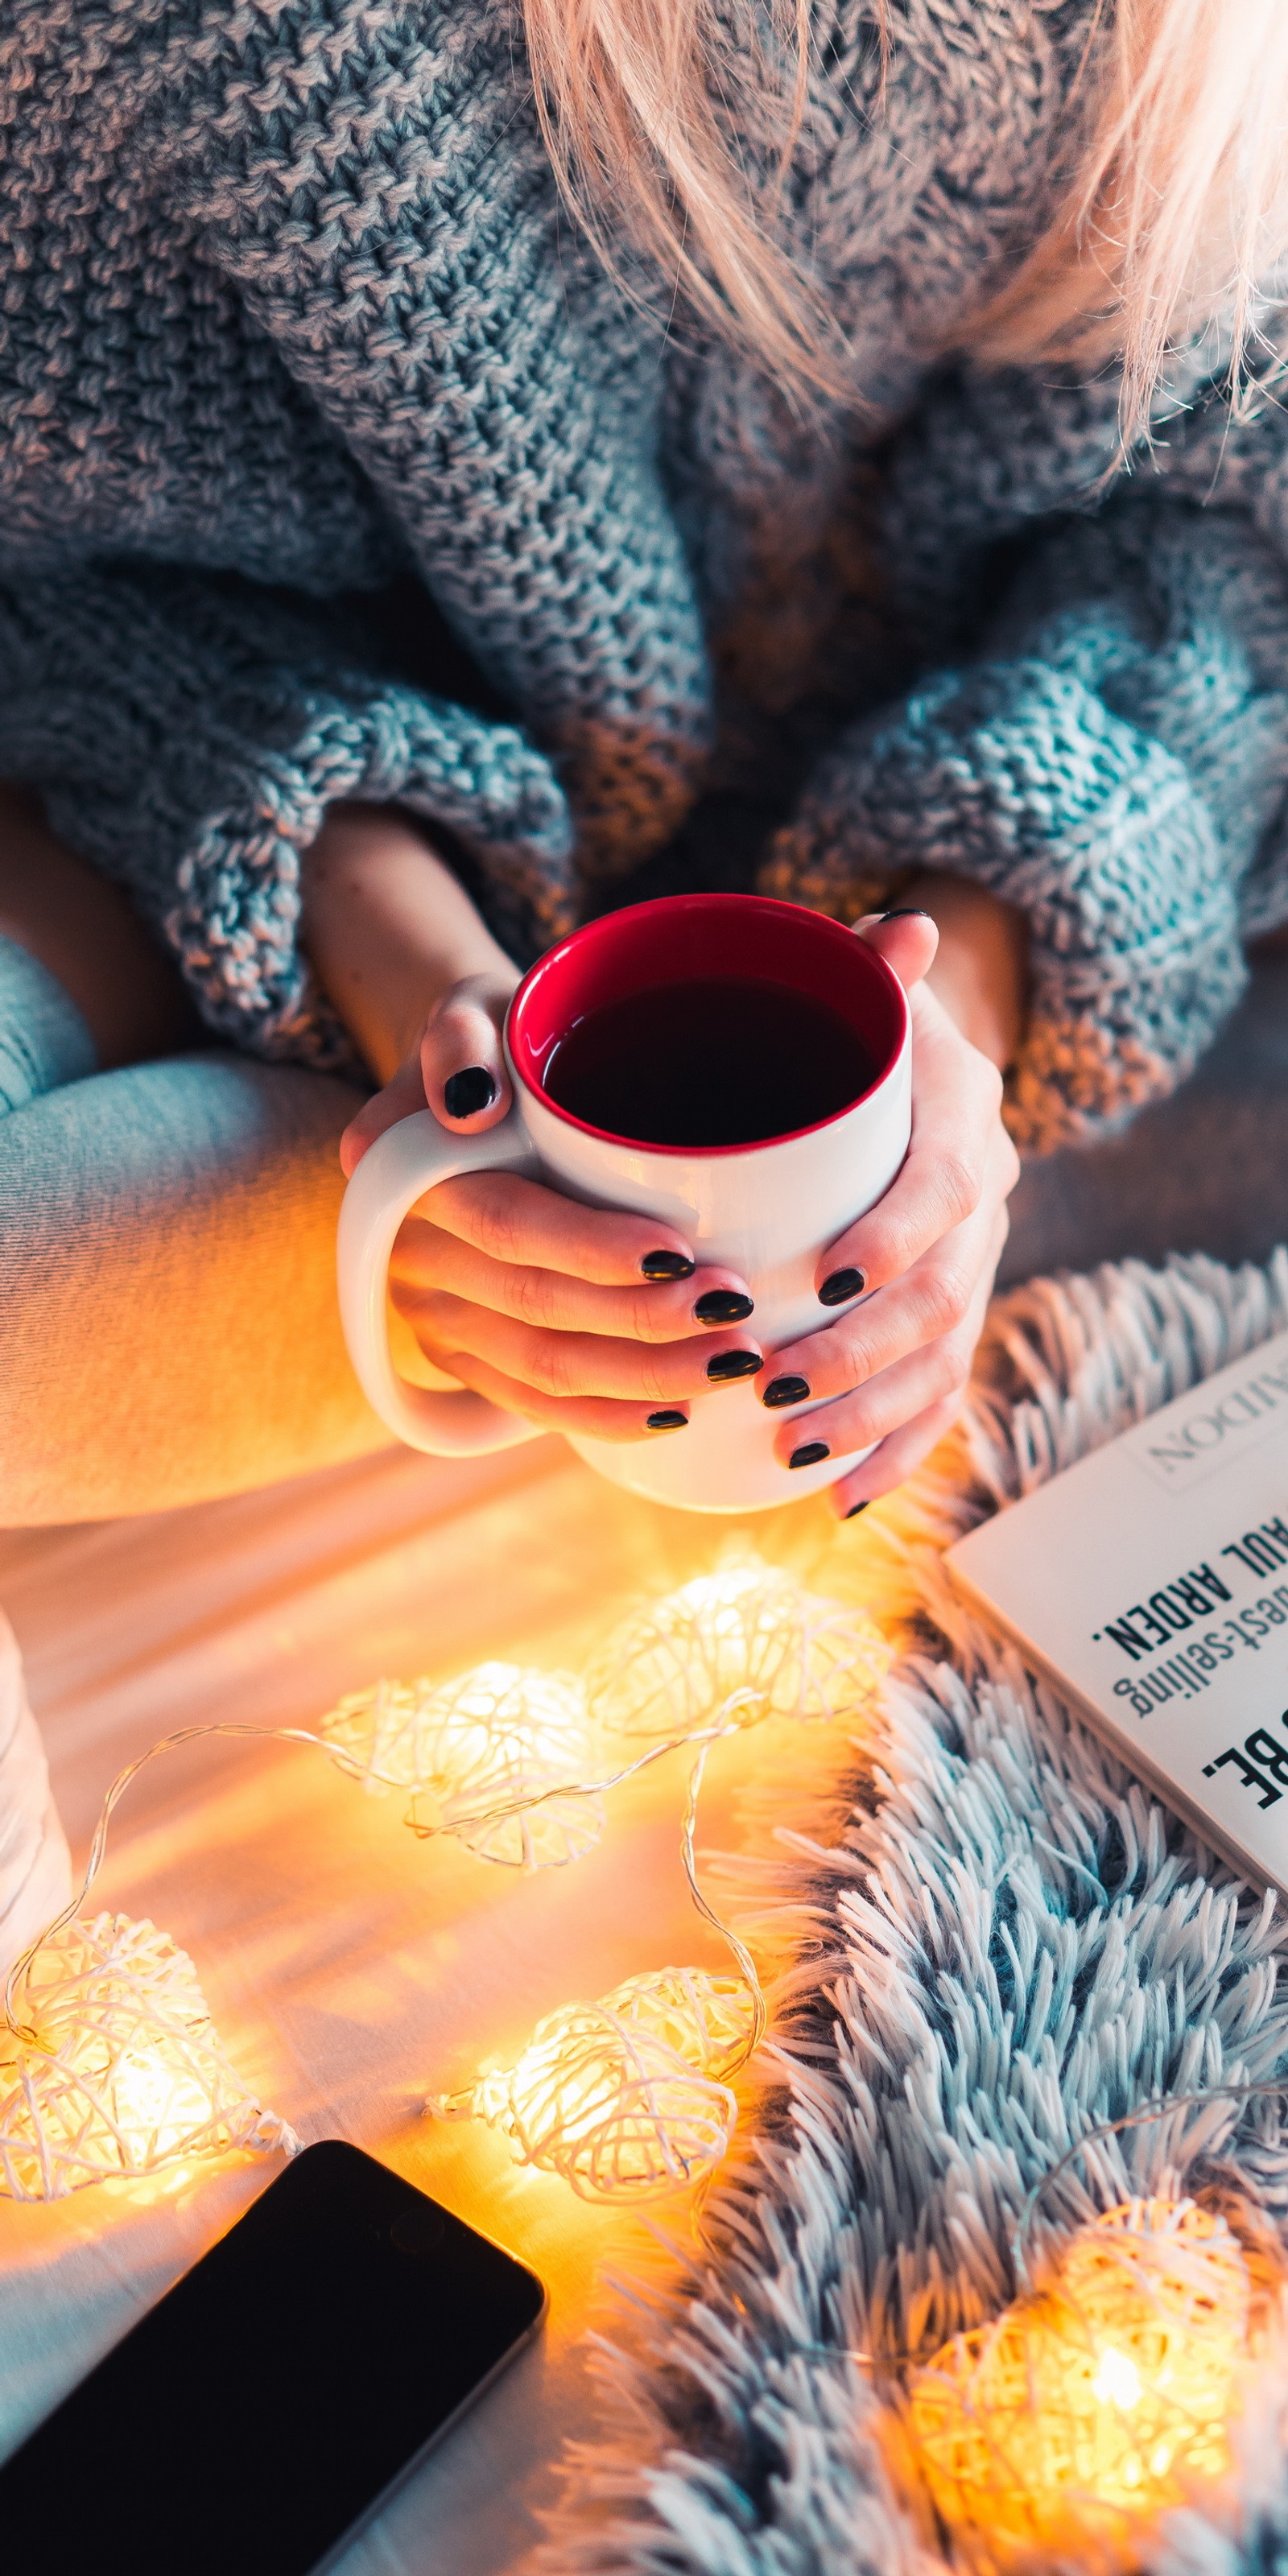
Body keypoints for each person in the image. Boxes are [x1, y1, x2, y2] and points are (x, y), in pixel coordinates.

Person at [1, 0, 1286, 1527]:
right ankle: (638, 1306)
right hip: (314, 818)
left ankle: (825, 1284)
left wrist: (958, 1045)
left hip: (1028, 879)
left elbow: (1225, 542)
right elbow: (98, 573)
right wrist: (422, 1007)